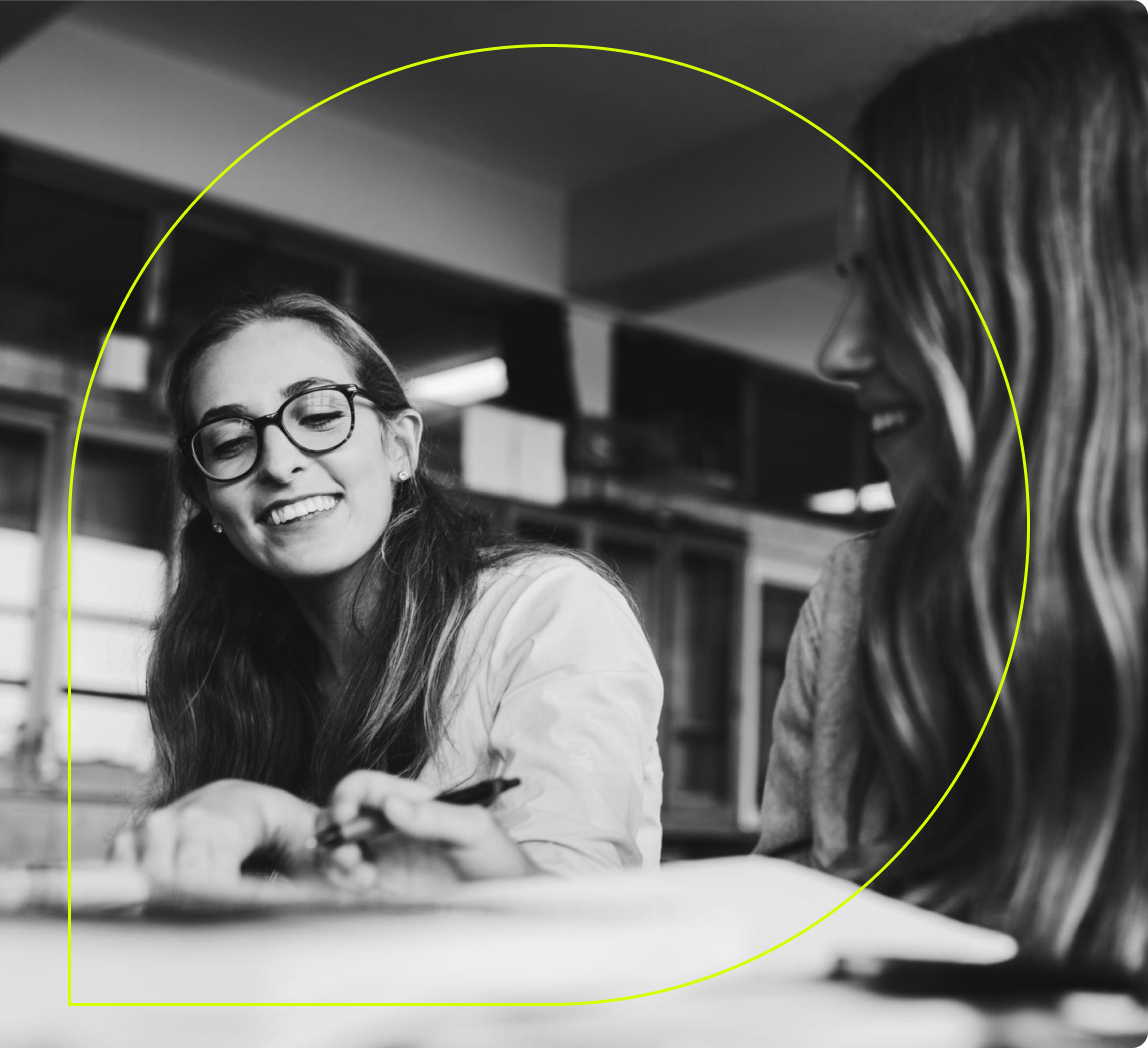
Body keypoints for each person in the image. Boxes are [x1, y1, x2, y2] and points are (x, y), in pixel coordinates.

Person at [756, 3, 1148, 984]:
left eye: (893, 283)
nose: (835, 351)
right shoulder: (851, 603)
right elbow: (785, 934)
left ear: (1062, 295)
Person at [112, 290, 663, 887]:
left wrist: (293, 828)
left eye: (319, 416)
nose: (278, 462)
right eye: (230, 442)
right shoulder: (229, 670)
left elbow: (579, 913)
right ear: (210, 505)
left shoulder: (548, 610)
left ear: (399, 446)